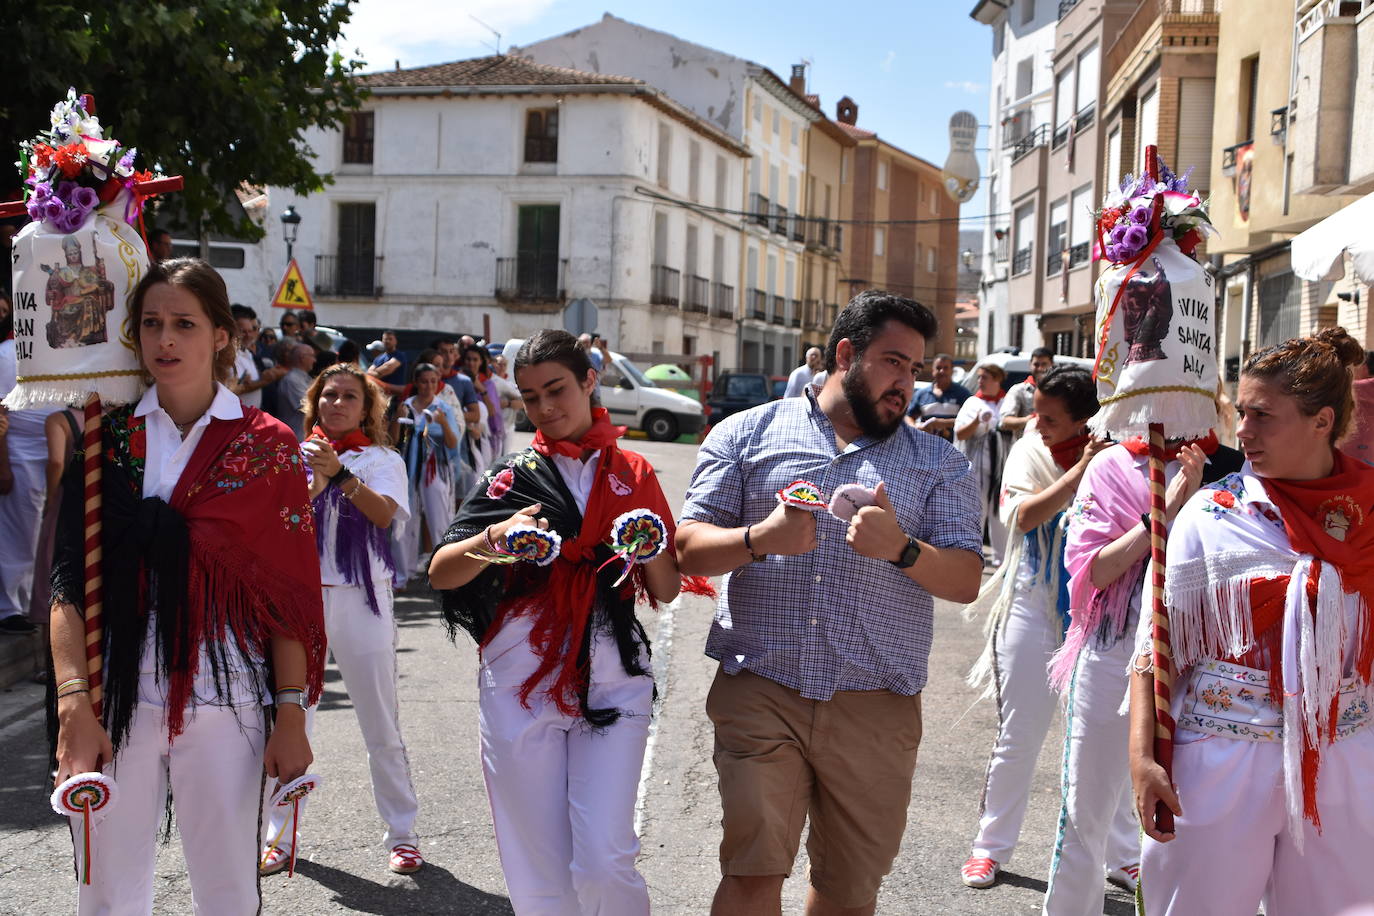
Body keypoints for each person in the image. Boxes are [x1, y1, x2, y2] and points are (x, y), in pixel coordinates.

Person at [677, 290, 984, 916]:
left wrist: (901, 549)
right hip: (763, 687)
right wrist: (761, 538)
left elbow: (965, 580)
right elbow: (687, 548)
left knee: (848, 893)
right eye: (892, 362)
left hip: (877, 703)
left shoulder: (940, 463)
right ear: (845, 355)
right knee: (752, 873)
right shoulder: (747, 432)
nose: (906, 383)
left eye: (914, 368)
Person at [48, 257, 324, 914]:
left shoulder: (268, 445)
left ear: (221, 334)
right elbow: (67, 582)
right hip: (113, 695)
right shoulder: (106, 438)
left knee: (228, 891)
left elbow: (287, 595)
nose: (165, 340)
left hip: (228, 698)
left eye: (184, 324)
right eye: (151, 323)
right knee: (104, 894)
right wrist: (73, 706)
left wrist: (291, 714)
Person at [429, 329, 699, 915]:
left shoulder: (633, 471)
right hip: (520, 682)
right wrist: (495, 539)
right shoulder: (512, 477)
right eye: (530, 397)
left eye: (557, 390)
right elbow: (442, 572)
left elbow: (667, 588)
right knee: (538, 866)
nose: (545, 408)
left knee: (604, 857)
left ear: (590, 380)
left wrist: (648, 544)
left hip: (614, 679)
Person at [1131, 328, 1374, 916]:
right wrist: (1141, 757)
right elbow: (1156, 644)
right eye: (1241, 412)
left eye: (1262, 415)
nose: (1242, 431)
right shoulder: (1211, 516)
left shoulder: (1371, 513)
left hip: (1345, 757)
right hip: (1219, 759)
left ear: (1321, 421)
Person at [1048, 412, 1242, 915]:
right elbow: (1092, 573)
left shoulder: (1233, 467)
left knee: (1188, 813)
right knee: (1085, 808)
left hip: (1197, 662)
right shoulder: (1112, 464)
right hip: (1111, 650)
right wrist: (1165, 508)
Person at [260, 363, 423, 876]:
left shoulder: (381, 459)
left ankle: (403, 835)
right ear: (314, 402)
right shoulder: (292, 455)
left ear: (367, 408)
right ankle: (280, 836)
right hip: (300, 600)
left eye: (349, 396)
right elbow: (274, 521)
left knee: (380, 723)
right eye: (329, 395)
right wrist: (314, 480)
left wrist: (341, 475)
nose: (337, 403)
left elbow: (383, 515)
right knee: (291, 719)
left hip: (362, 597)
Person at [959, 367, 1108, 889]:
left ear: (1085, 423)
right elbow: (1019, 517)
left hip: (1101, 611)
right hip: (1033, 600)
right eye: (1036, 413)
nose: (1035, 424)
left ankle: (1122, 854)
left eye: (1050, 419)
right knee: (1019, 734)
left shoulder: (1117, 457)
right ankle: (989, 847)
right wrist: (1080, 472)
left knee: (1105, 739)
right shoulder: (1029, 450)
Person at [0, 292, 57, 635]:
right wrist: (3, 464)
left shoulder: (55, 351)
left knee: (44, 533)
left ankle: (32, 604)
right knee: (20, 530)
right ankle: (10, 608)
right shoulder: (7, 354)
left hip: (54, 450)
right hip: (19, 451)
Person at [395, 363, 459, 583]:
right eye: (424, 381)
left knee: (439, 518)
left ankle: (446, 572)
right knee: (405, 520)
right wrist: (398, 420)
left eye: (433, 381)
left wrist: (443, 423)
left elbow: (453, 443)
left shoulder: (442, 408)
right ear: (416, 382)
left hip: (434, 469)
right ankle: (403, 573)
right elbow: (393, 440)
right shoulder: (405, 406)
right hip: (407, 470)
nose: (428, 386)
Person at [954, 363, 1010, 566]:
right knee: (976, 511)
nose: (980, 381)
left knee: (1000, 513)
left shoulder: (1007, 402)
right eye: (979, 377)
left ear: (997, 380)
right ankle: (972, 555)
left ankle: (1002, 560)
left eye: (984, 377)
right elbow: (960, 433)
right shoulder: (972, 402)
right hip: (977, 466)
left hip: (1002, 466)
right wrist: (977, 421)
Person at [230, 305, 286, 411]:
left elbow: (248, 384)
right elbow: (232, 390)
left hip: (251, 416)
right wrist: (264, 381)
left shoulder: (247, 353)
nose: (249, 335)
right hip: (236, 417)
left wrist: (266, 375)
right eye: (243, 331)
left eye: (250, 331)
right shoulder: (228, 357)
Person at [907, 353, 971, 441]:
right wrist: (915, 427)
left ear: (952, 371)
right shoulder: (922, 394)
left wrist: (943, 423)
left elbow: (969, 419)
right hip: (927, 445)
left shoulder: (962, 393)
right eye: (938, 368)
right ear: (933, 370)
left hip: (953, 446)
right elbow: (908, 417)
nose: (942, 371)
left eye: (946, 368)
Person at [463, 343, 507, 461]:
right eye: (468, 359)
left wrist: (482, 390)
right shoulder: (458, 380)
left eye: (475, 360)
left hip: (484, 436)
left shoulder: (488, 384)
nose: (471, 363)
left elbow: (492, 413)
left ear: (481, 362)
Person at [1000, 347, 1055, 439]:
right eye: (1036, 364)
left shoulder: (1059, 391)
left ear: (1052, 365)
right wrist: (1030, 420)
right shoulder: (1018, 390)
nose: (1040, 368)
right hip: (1026, 445)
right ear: (1030, 365)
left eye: (1044, 364)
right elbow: (1004, 422)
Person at [277, 343, 316, 440]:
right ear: (302, 358)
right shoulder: (292, 380)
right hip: (294, 437)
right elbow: (307, 407)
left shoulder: (303, 378)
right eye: (312, 356)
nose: (314, 360)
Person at [368, 330, 408, 397]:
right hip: (381, 395)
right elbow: (369, 373)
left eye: (390, 339)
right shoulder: (378, 358)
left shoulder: (399, 356)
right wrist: (379, 372)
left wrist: (375, 373)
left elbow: (387, 368)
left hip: (396, 396)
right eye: (385, 339)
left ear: (395, 341)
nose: (387, 341)